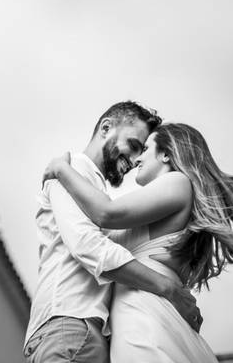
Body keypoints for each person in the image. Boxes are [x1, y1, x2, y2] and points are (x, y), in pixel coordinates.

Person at [43, 122, 233, 362]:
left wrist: (61, 169)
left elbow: (106, 213)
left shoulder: (178, 183)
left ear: (166, 154)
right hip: (142, 312)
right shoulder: (169, 199)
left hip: (141, 316)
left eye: (145, 149)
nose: (137, 159)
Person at [23, 102, 201, 363]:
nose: (134, 160)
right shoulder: (72, 170)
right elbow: (88, 246)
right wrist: (168, 288)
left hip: (78, 332)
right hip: (70, 327)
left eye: (142, 150)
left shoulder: (88, 187)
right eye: (133, 145)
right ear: (106, 127)